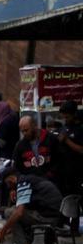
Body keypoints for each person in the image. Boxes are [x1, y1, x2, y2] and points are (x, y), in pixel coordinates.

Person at [0, 168, 64, 244]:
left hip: (47, 216)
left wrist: (3, 231)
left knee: (10, 212)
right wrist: (8, 228)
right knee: (17, 213)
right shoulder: (31, 180)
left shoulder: (23, 182)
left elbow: (19, 213)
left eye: (8, 184)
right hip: (56, 216)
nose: (9, 187)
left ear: (12, 179)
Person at [56, 100, 82, 236]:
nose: (65, 120)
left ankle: (74, 228)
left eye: (67, 117)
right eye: (63, 117)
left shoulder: (80, 129)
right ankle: (62, 225)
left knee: (74, 200)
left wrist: (67, 141)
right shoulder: (64, 128)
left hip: (77, 172)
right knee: (62, 199)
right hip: (63, 172)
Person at [12, 115, 63, 183]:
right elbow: (16, 167)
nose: (24, 133)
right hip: (31, 184)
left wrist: (51, 174)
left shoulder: (50, 139)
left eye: (26, 130)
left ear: (34, 126)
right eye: (22, 131)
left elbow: (59, 159)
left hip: (51, 182)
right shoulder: (20, 146)